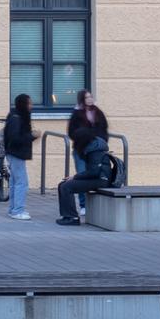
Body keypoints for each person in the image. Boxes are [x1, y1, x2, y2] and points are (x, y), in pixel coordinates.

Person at [56, 91, 115, 224]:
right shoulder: (77, 115)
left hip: (100, 179)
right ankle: (68, 216)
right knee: (64, 184)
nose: (89, 99)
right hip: (96, 176)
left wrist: (75, 177)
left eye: (90, 97)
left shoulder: (95, 148)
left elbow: (93, 172)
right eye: (86, 97)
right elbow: (72, 132)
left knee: (67, 186)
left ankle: (74, 216)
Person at [0, 93, 37, 219]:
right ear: (23, 104)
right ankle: (17, 210)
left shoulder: (15, 115)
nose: (31, 106)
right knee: (21, 182)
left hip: (14, 153)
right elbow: (15, 138)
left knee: (15, 182)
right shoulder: (17, 118)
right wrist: (32, 136)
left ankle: (13, 209)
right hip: (16, 154)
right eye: (29, 103)